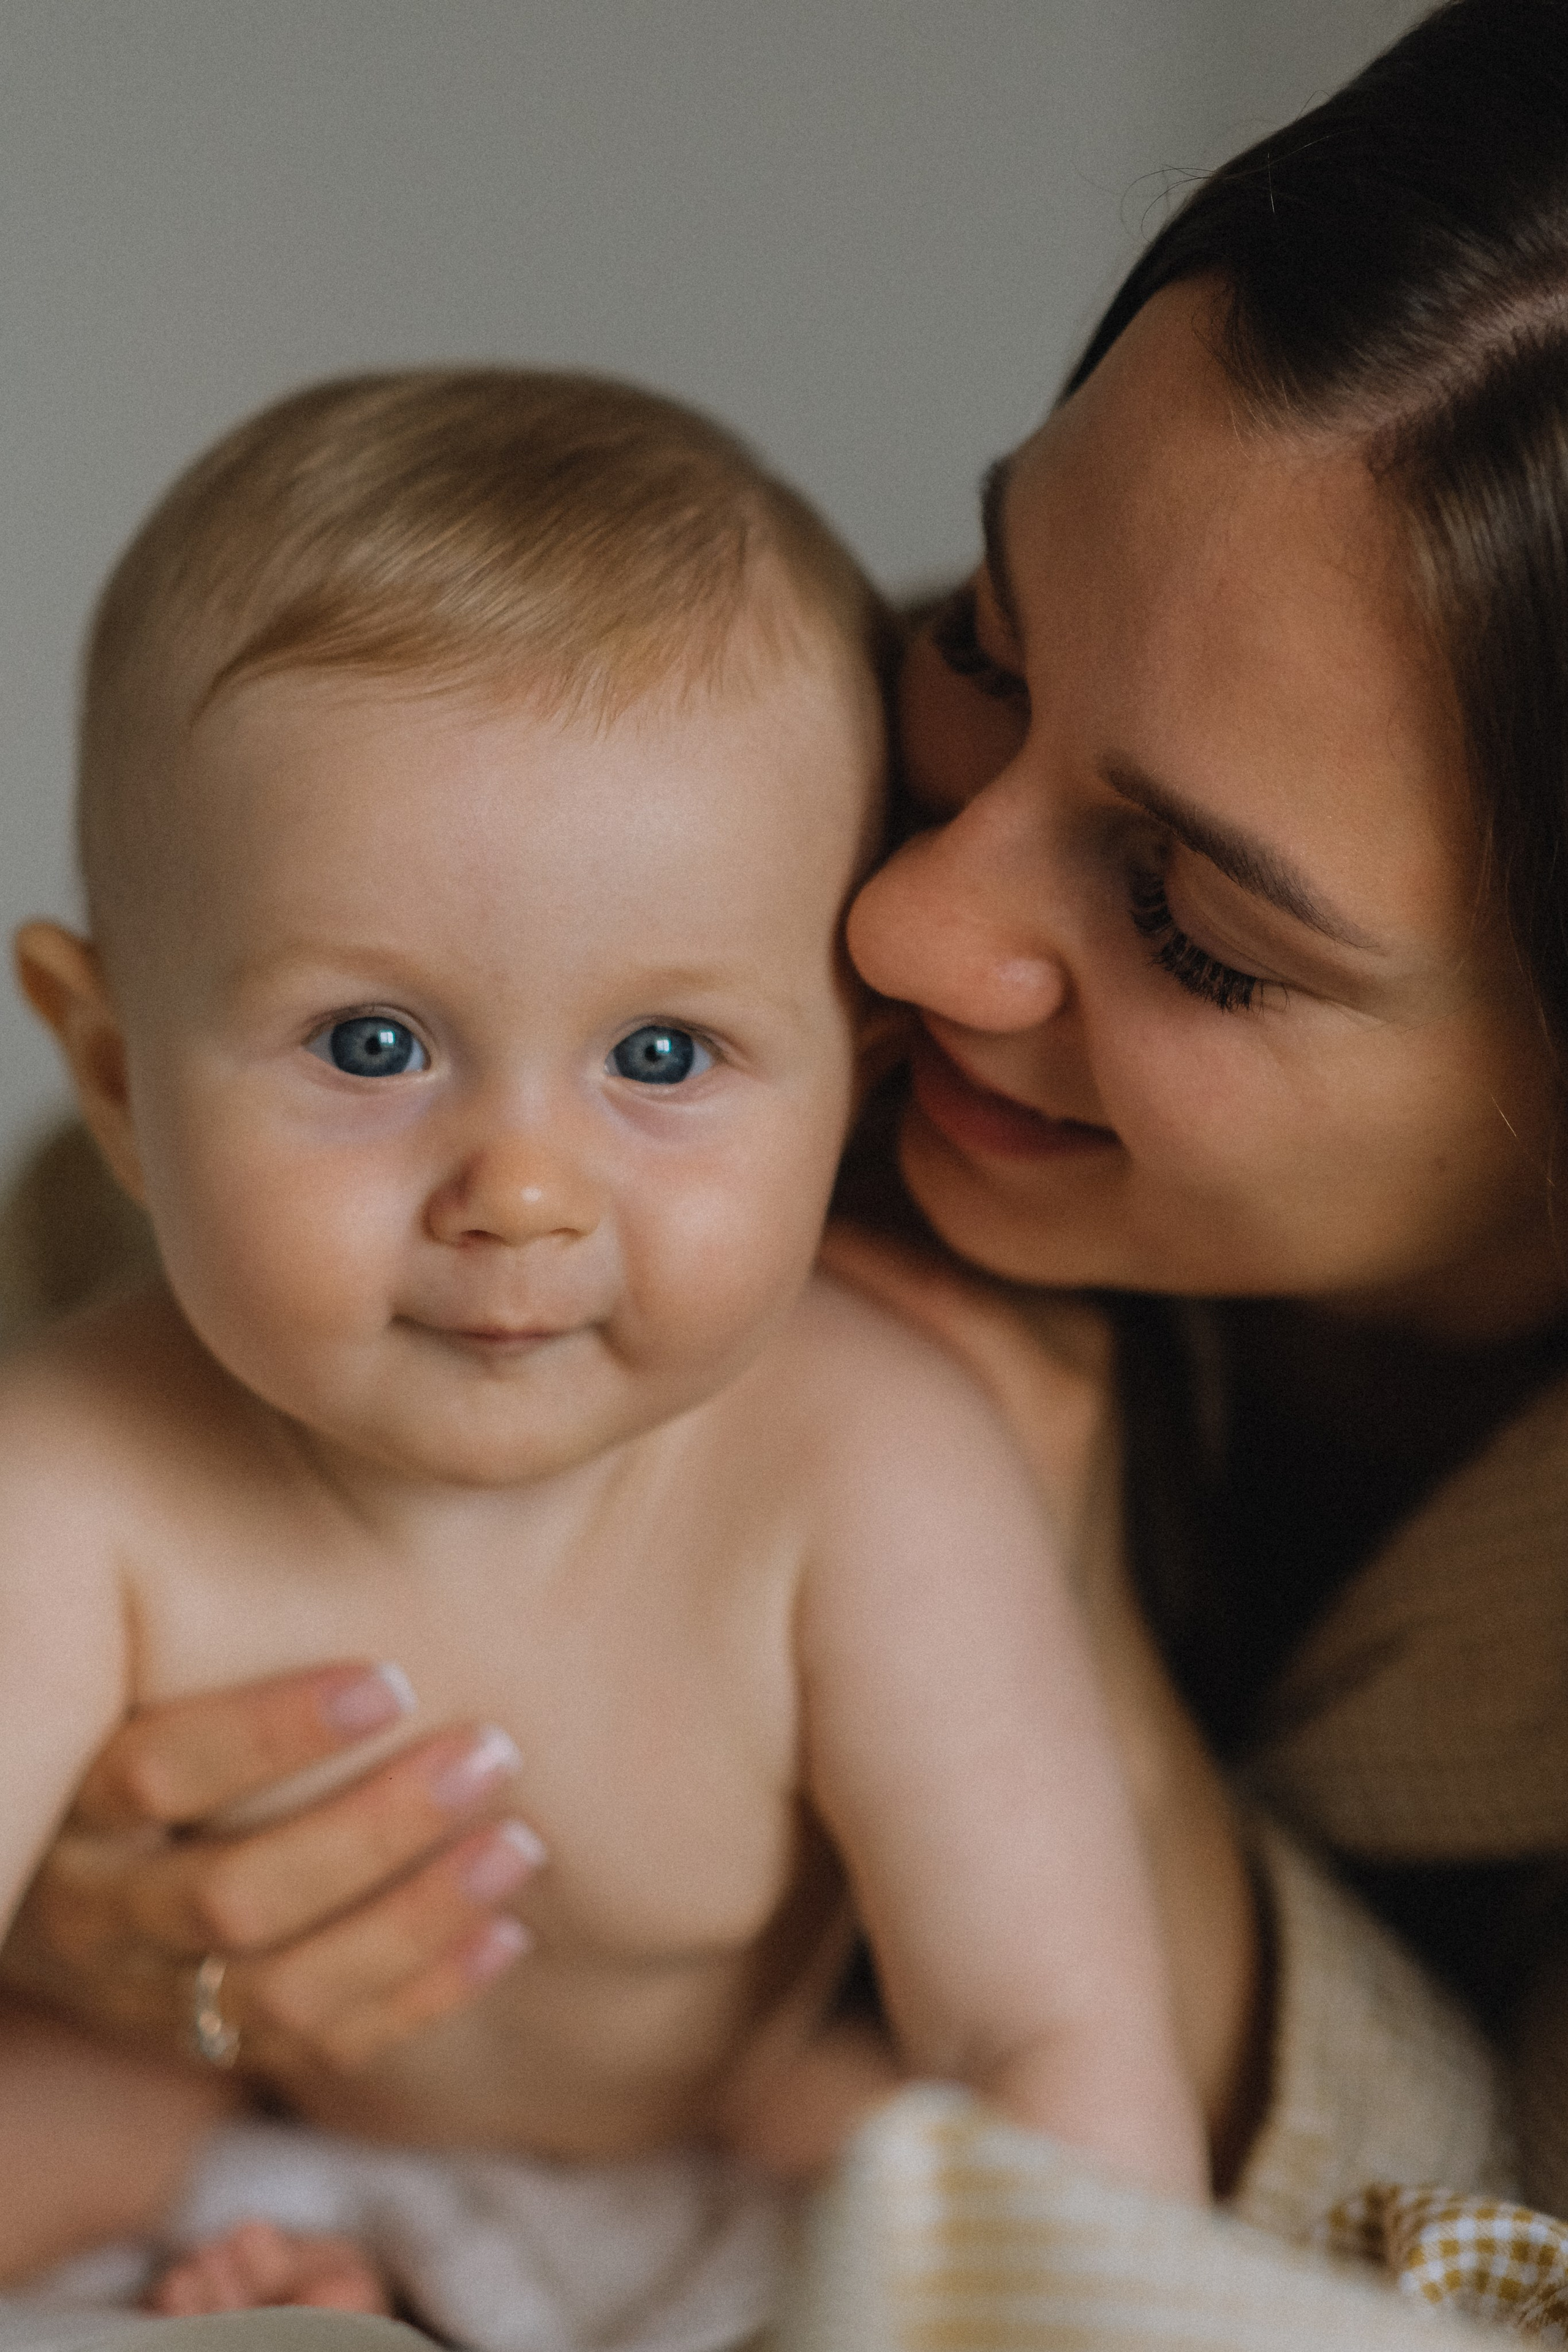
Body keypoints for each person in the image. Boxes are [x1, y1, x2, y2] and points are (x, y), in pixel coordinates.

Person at [10, 0, 1568, 2342]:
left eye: (1192, 923)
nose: (899, 937)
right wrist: (117, 1969)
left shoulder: (862, 1456)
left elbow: (1100, 2130)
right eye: (985, 641)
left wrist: (1112, 1754)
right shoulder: (117, 1398)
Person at [0, 366, 1205, 2311]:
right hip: (198, 2111)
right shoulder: (71, 1469)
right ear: (119, 1078)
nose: (525, 1190)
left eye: (663, 1056)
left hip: (708, 2147)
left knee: (901, 2185)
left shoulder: (862, 1466)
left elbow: (1046, 2038)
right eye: (371, 1046)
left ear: (852, 1086)